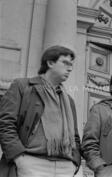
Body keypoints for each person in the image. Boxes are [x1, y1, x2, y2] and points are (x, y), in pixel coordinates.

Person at [0, 46, 81, 177]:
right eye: (65, 63)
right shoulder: (22, 86)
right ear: (50, 63)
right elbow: (5, 124)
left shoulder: (68, 100)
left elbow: (75, 137)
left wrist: (74, 162)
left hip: (65, 167)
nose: (70, 68)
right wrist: (19, 159)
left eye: (71, 65)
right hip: (31, 163)